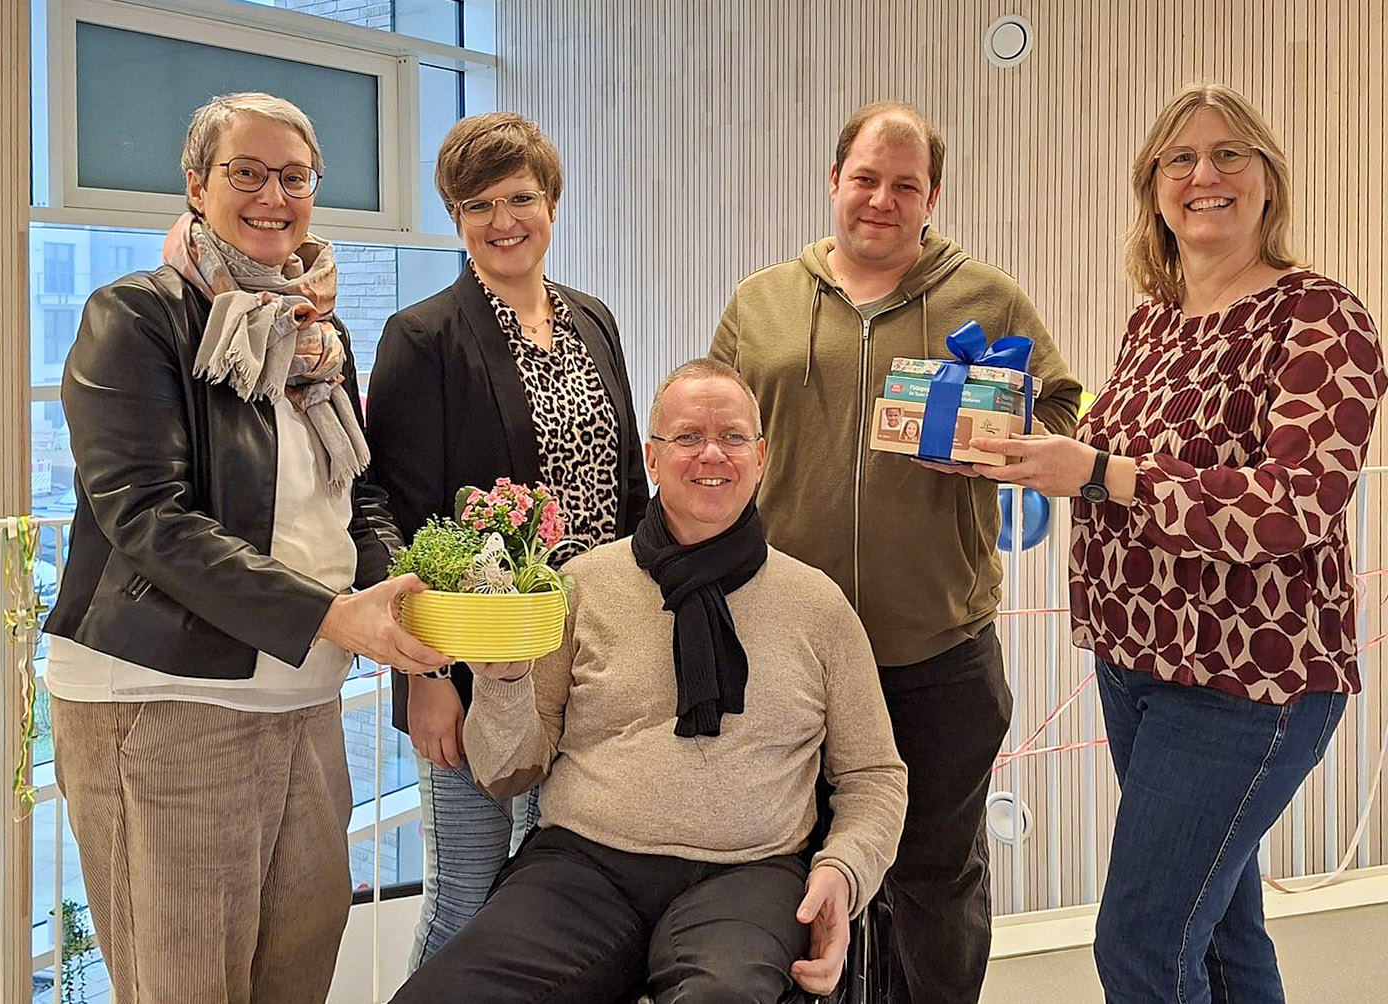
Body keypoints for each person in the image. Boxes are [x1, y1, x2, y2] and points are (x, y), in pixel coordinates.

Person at [969, 83, 1386, 1003]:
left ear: (1268, 179)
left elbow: (1292, 506)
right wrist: (1010, 447)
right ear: (1154, 189)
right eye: (1181, 159)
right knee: (1223, 933)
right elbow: (1109, 453)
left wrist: (1099, 472)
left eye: (1229, 153)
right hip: (1135, 663)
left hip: (1247, 681)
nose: (1205, 175)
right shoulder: (1155, 319)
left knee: (1142, 944)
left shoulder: (1321, 318)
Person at [42, 92, 450, 1004]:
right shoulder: (136, 318)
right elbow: (147, 516)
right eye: (248, 173)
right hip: (165, 704)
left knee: (298, 971)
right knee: (184, 982)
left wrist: (414, 605)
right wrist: (330, 616)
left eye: (295, 178)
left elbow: (356, 496)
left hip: (304, 697)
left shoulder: (319, 336)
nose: (275, 196)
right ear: (197, 185)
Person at [711, 101, 1082, 1003]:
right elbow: (716, 433)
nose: (881, 200)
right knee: (797, 873)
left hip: (938, 654)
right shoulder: (760, 304)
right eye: (866, 179)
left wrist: (994, 437)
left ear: (932, 198)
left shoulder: (987, 300)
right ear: (833, 182)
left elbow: (1062, 410)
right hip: (787, 653)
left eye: (904, 186)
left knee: (934, 880)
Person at [390, 358, 907, 1004]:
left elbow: (874, 776)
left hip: (749, 875)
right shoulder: (579, 587)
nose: (711, 454)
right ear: (653, 459)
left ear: (760, 456)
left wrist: (844, 870)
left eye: (732, 437)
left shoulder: (818, 606)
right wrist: (503, 682)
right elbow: (507, 772)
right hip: (583, 868)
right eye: (688, 437)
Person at [365, 111, 649, 969]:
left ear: (551, 202)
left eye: (520, 197)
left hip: (587, 659)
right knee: (467, 893)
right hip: (472, 665)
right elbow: (396, 515)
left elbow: (628, 490)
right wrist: (425, 679)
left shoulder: (594, 320)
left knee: (549, 894)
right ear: (456, 217)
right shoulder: (423, 336)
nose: (503, 221)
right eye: (477, 204)